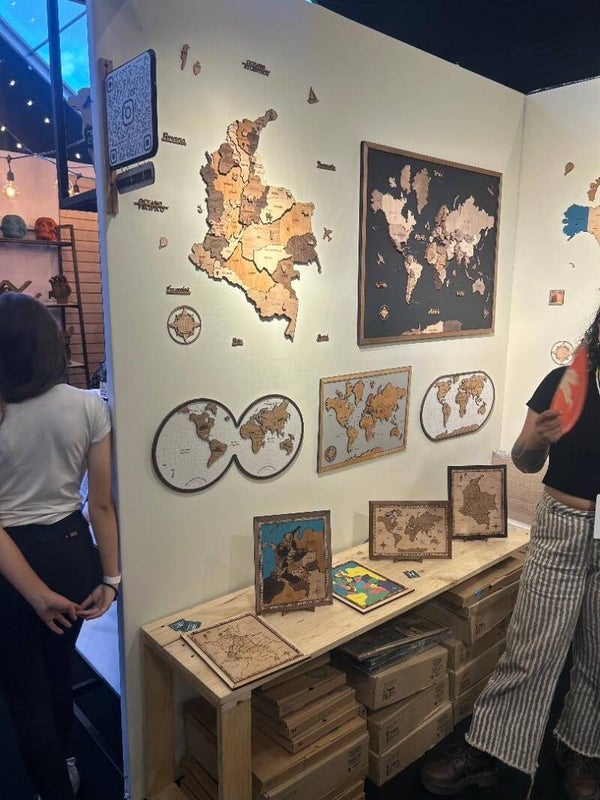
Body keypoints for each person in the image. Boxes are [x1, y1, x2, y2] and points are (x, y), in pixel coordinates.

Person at [421, 306, 600, 800]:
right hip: (562, 529)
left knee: (598, 657)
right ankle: (488, 748)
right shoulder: (565, 384)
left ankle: (581, 749)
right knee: (529, 648)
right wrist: (536, 440)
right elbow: (523, 461)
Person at [0, 292, 120, 800]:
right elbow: (102, 505)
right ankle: (68, 758)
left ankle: (54, 787)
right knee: (58, 671)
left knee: (23, 692)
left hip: (9, 566)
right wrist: (111, 579)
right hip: (72, 552)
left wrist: (32, 594)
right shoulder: (89, 405)